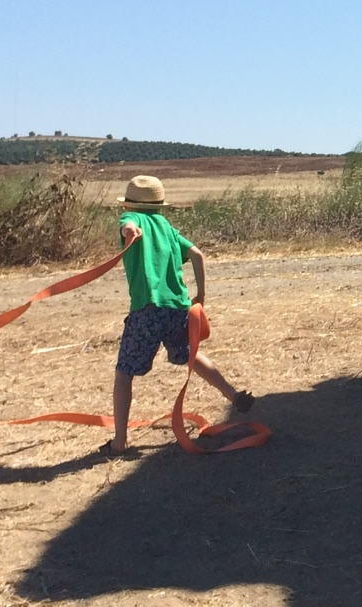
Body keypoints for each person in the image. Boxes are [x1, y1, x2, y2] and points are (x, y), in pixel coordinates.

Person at [108, 175, 255, 456]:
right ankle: (233, 395)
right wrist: (200, 295)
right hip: (177, 307)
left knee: (124, 372)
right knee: (190, 354)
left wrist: (130, 231)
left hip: (147, 310)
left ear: (130, 203)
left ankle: (119, 441)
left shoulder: (132, 218)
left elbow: (128, 225)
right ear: (159, 204)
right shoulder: (168, 228)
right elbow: (198, 254)